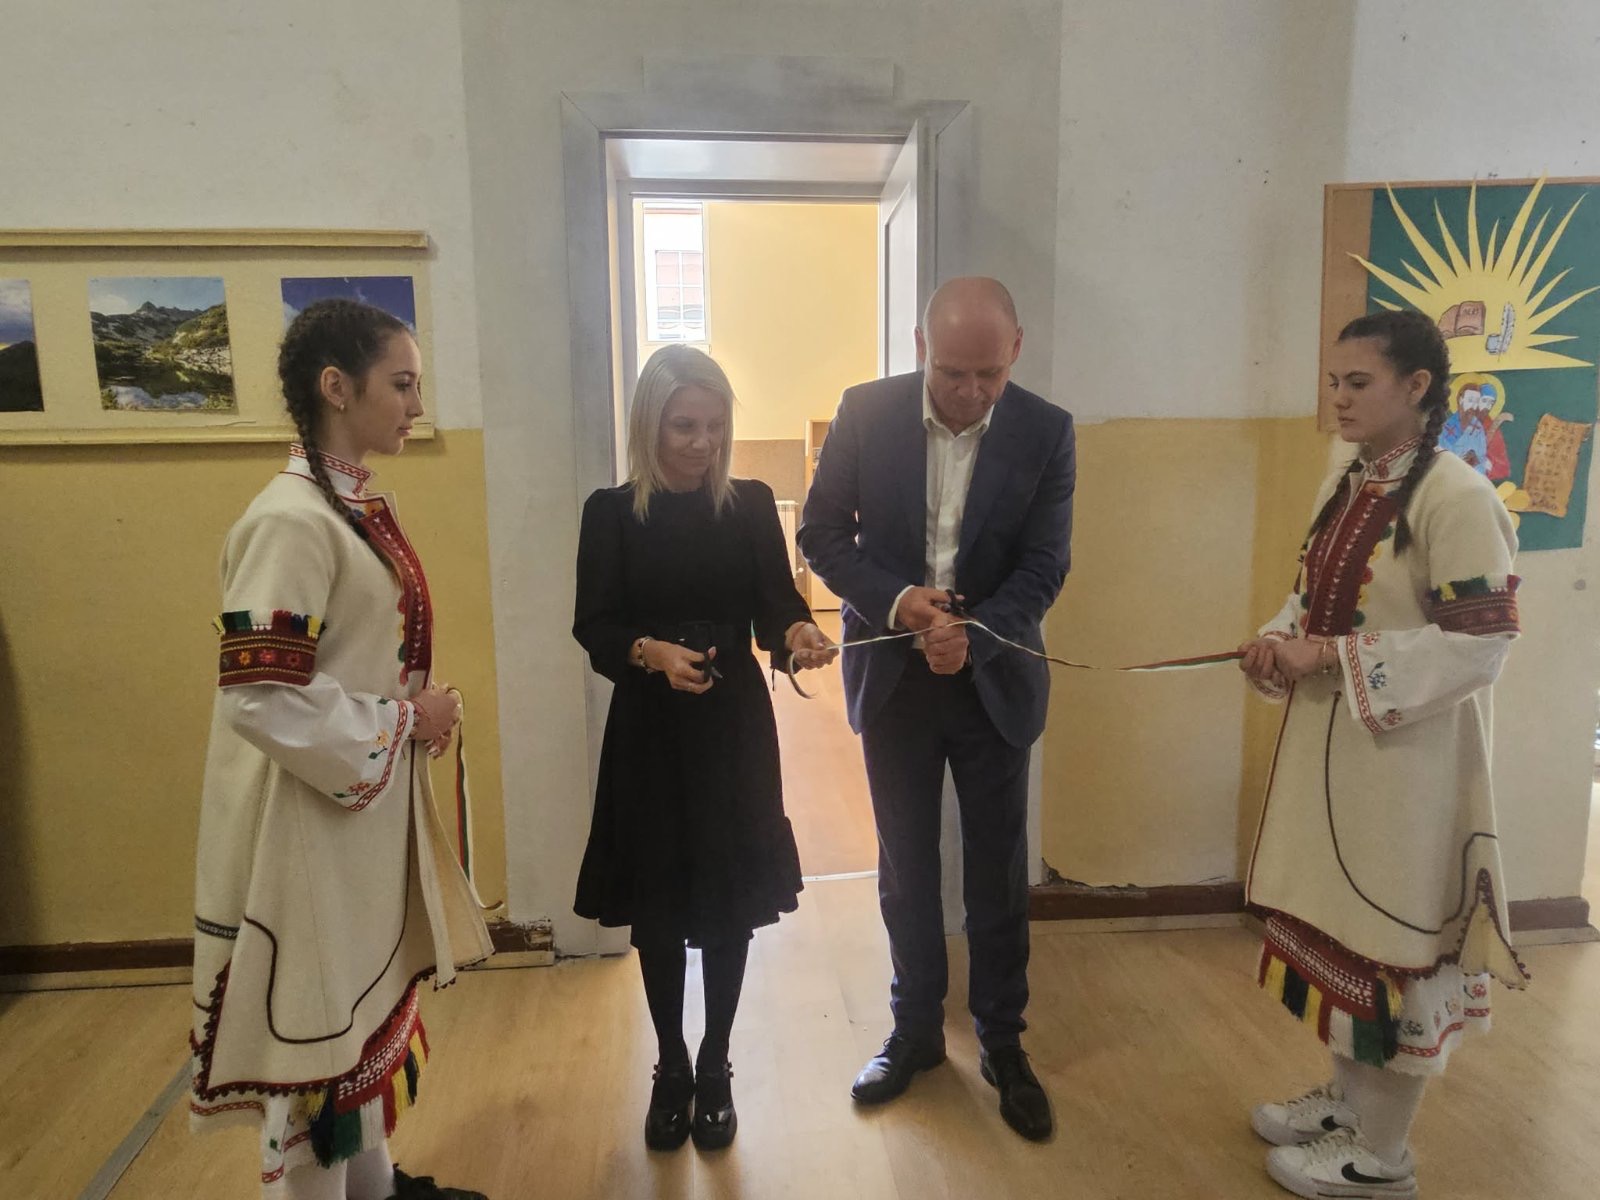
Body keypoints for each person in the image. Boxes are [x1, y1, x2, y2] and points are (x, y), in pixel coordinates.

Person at [190, 299, 494, 1200]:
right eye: (401, 385)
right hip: (302, 827)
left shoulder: (341, 506)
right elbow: (259, 697)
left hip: (348, 812)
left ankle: (376, 1187)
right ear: (336, 386)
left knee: (357, 1023)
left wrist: (407, 716)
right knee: (315, 1039)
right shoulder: (290, 521)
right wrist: (406, 721)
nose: (416, 406)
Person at [1239, 309, 1526, 1199]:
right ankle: (1350, 1103)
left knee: (1390, 947)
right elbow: (1311, 602)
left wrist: (1328, 657)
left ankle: (1383, 1155)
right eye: (1335, 381)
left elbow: (1483, 641)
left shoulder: (1457, 495)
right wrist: (1277, 639)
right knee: (1339, 936)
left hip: (1411, 770)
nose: (1338, 398)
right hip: (1336, 757)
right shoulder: (1351, 480)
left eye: (1357, 383)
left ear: (1417, 386)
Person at [798, 277, 1075, 1142]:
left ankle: (1003, 1041)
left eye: (989, 373)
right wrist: (898, 602)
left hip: (993, 678)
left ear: (1016, 350)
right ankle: (915, 1030)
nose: (971, 392)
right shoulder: (866, 412)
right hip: (894, 676)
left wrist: (973, 635)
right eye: (953, 372)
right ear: (921, 348)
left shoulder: (1047, 430)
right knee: (905, 864)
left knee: (996, 868)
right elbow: (819, 534)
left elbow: (1045, 565)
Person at [572, 344, 835, 1152]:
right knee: (656, 907)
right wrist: (650, 653)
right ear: (649, 424)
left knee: (728, 904)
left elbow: (774, 605)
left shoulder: (749, 504)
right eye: (684, 425)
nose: (702, 442)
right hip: (649, 730)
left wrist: (797, 635)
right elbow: (595, 624)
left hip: (732, 729)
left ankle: (716, 1060)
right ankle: (672, 1064)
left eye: (715, 425)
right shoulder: (611, 512)